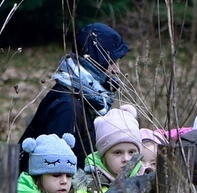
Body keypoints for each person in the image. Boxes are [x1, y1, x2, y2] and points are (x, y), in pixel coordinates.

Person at [19, 23, 129, 172]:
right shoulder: (67, 106)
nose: (117, 70)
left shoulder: (85, 99)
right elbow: (54, 170)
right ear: (93, 63)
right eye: (111, 62)